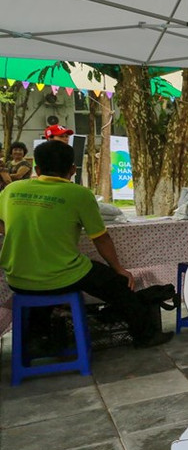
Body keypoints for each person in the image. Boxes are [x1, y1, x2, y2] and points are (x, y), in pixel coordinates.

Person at [0, 141, 171, 350]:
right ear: (73, 169)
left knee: (44, 288)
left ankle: (38, 336)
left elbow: (2, 226)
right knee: (119, 285)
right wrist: (119, 269)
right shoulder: (79, 194)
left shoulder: (11, 190)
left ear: (36, 169)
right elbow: (100, 238)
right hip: (62, 275)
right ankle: (145, 335)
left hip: (17, 278)